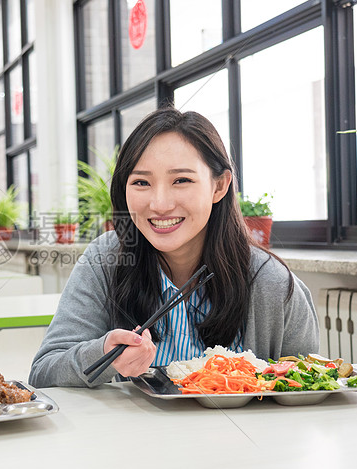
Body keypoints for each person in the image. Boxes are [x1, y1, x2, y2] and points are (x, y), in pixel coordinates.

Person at [29, 108, 319, 387]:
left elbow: (309, 386)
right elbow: (44, 372)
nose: (160, 204)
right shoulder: (105, 259)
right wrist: (104, 353)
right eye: (141, 182)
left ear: (219, 186)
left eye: (181, 180)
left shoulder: (272, 283)